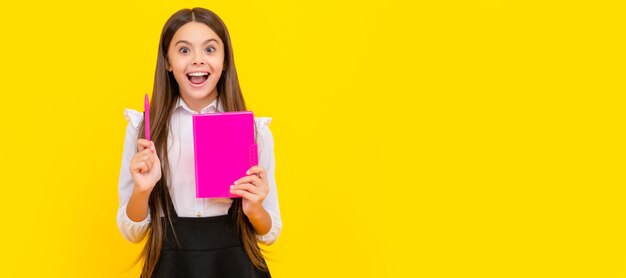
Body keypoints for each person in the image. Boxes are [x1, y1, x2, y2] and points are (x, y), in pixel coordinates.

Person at [116, 7, 281, 277]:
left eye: (209, 49)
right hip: (172, 267)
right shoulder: (144, 130)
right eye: (183, 50)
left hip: (236, 267)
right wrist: (142, 191)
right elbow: (132, 231)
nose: (197, 60)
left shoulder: (254, 131)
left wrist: (254, 209)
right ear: (167, 61)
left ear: (225, 59)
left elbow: (269, 232)